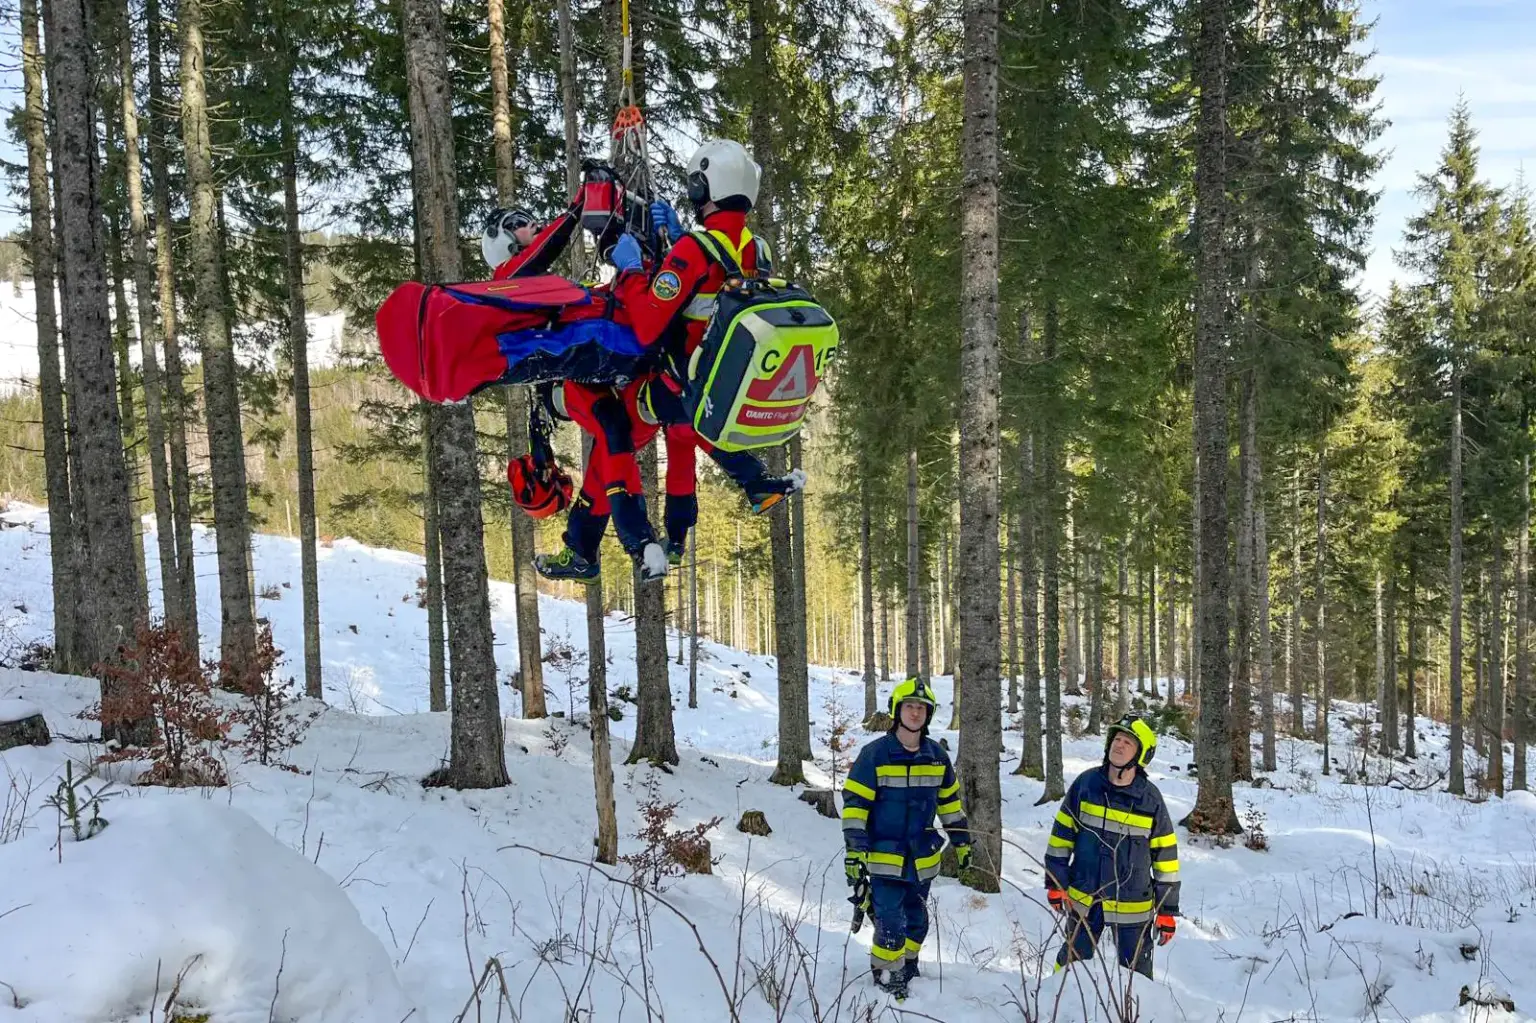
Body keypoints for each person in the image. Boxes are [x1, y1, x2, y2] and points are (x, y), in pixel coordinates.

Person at [535, 138, 805, 584]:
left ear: (703, 187)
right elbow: (717, 285)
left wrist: (632, 269)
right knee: (670, 435)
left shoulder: (694, 251)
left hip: (675, 386)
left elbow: (646, 325)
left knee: (613, 436)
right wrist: (678, 240)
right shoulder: (757, 249)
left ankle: (631, 541)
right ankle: (749, 484)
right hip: (718, 387)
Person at [840, 678, 972, 1000]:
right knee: (890, 922)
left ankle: (908, 967)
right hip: (884, 858)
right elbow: (855, 807)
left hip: (922, 859)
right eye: (910, 706)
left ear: (929, 714)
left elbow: (950, 805)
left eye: (922, 708)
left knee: (917, 921)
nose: (915, 713)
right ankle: (887, 978)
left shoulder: (937, 756)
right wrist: (855, 851)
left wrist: (962, 842)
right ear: (897, 711)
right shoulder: (874, 755)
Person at [1042, 714, 1180, 979]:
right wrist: (1056, 883)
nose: (1119, 745)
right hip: (1085, 897)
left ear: (1141, 754)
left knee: (1137, 977)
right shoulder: (1086, 785)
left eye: (1128, 742)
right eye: (1116, 739)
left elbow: (1166, 859)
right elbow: (1060, 839)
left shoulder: (1150, 799)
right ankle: (1055, 998)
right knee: (1070, 964)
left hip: (1133, 905)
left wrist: (1166, 911)